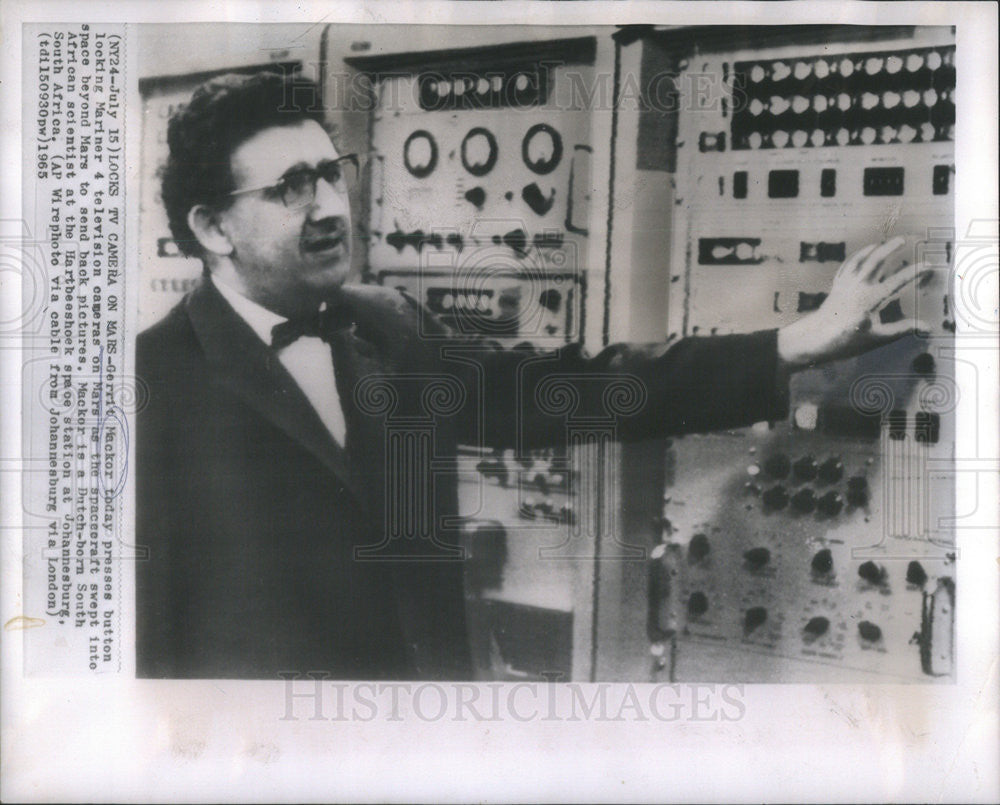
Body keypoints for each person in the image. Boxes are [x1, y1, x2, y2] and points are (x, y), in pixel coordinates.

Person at [136, 71, 927, 679]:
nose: (328, 207)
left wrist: (789, 344)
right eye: (288, 189)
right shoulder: (149, 385)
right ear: (213, 227)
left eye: (329, 173)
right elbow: (142, 647)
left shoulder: (384, 325)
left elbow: (576, 389)